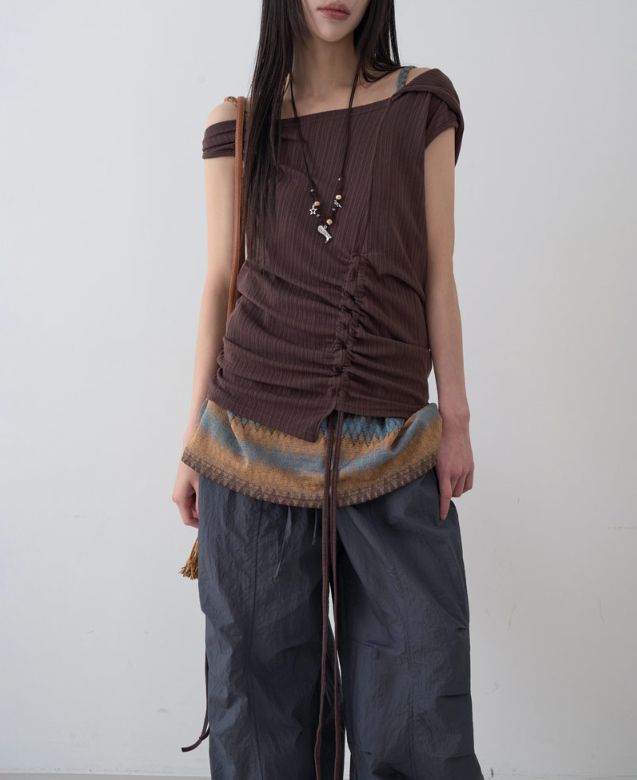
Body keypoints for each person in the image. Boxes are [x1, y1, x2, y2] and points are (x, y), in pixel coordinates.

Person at [172, 1, 482, 779]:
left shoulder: (421, 102)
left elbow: (437, 271)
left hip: (392, 446)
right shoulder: (238, 123)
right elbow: (219, 282)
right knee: (260, 717)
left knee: (419, 696)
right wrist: (190, 444)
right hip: (249, 446)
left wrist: (455, 418)